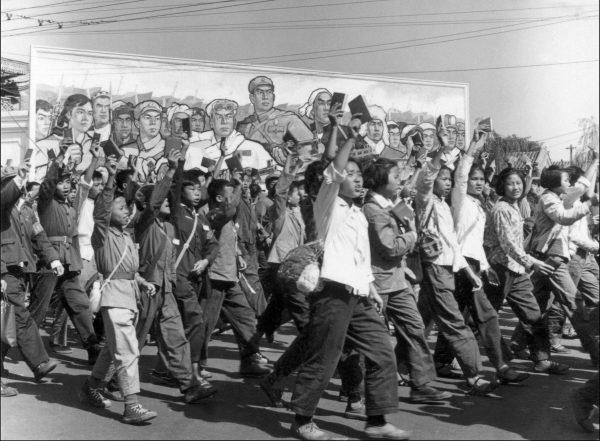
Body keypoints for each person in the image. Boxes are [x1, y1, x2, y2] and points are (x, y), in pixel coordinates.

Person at [283, 131, 409, 440]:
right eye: (350, 174)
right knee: (324, 357)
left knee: (382, 353)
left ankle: (377, 421)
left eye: (359, 175)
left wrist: (373, 289)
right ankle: (302, 420)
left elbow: (361, 257)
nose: (357, 179)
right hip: (332, 293)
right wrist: (350, 141)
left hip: (360, 293)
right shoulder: (327, 205)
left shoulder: (358, 213)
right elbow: (333, 171)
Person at [435, 129, 529, 385]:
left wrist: (486, 267)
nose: (478, 182)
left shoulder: (479, 205)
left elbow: (476, 242)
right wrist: (473, 148)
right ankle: (500, 367)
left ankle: (441, 360)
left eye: (481, 179)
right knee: (487, 317)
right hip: (460, 265)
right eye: (473, 179)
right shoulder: (460, 200)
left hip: (475, 264)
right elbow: (462, 174)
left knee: (461, 316)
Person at [414, 121, 495, 395]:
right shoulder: (425, 199)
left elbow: (453, 245)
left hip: (444, 269)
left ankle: (405, 370)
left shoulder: (446, 207)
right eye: (444, 179)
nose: (449, 184)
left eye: (450, 180)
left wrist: (472, 274)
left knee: (417, 325)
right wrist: (445, 152)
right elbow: (430, 177)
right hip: (436, 269)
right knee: (455, 323)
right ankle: (474, 375)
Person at [362, 157, 451, 404]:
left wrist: (412, 226)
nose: (400, 178)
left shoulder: (393, 202)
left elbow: (415, 222)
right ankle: (354, 390)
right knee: (368, 342)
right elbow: (391, 246)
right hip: (378, 283)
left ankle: (421, 384)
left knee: (414, 327)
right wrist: (411, 235)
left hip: (399, 280)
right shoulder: (373, 209)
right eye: (394, 175)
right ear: (380, 180)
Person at [132, 149, 217, 403]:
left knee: (175, 336)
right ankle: (101, 380)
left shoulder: (169, 225)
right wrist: (172, 169)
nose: (170, 201)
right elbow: (156, 200)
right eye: (164, 200)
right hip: (147, 289)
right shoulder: (146, 222)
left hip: (166, 289)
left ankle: (189, 386)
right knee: (133, 341)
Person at [80, 154, 158, 424]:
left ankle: (91, 385)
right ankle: (131, 406)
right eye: (122, 206)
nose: (127, 210)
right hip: (114, 298)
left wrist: (141, 281)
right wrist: (112, 177)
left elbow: (129, 270)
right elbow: (101, 209)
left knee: (112, 349)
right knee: (127, 352)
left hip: (129, 295)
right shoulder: (101, 233)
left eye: (128, 207)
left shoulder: (126, 233)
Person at [484, 167, 569, 374]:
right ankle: (448, 357)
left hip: (517, 269)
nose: (516, 187)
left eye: (519, 183)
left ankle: (542, 359)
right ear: (502, 185)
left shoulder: (514, 207)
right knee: (484, 318)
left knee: (534, 315)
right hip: (499, 269)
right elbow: (509, 245)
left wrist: (527, 260)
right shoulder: (501, 208)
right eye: (510, 183)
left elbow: (518, 243)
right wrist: (532, 262)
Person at [30, 149, 101, 364]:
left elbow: (84, 185)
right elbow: (47, 185)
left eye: (67, 182)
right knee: (38, 311)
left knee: (81, 304)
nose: (66, 186)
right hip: (50, 261)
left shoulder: (71, 206)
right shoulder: (46, 203)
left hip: (69, 262)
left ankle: (92, 346)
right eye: (61, 183)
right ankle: (16, 349)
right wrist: (58, 161)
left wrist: (94, 160)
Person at [527, 164, 599, 359]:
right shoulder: (549, 198)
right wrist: (589, 203)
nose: (570, 183)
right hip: (551, 257)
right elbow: (563, 218)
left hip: (555, 257)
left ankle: (519, 344)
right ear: (555, 183)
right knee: (573, 303)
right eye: (566, 180)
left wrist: (595, 163)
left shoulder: (559, 196)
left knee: (536, 303)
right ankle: (595, 351)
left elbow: (582, 187)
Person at [202, 178, 271, 377]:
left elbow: (230, 239)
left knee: (245, 316)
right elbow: (230, 209)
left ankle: (249, 359)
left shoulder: (229, 217)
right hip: (214, 278)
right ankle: (194, 367)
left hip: (230, 277)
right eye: (230, 195)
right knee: (206, 324)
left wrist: (238, 254)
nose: (235, 199)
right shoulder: (214, 213)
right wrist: (240, 187)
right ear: (218, 197)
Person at [1, 164, 60, 391]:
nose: (14, 185)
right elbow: (5, 197)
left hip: (21, 270)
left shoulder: (26, 209)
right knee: (20, 317)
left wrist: (53, 259)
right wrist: (16, 180)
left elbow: (40, 236)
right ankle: (39, 363)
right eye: (7, 182)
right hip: (5, 271)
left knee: (6, 321)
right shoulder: (3, 205)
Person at [254, 154, 306, 343]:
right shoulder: (279, 212)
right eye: (297, 192)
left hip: (297, 265)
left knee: (278, 304)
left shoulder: (300, 212)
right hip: (282, 264)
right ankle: (308, 344)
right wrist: (288, 174)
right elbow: (280, 193)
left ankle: (262, 330)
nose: (300, 195)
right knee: (301, 307)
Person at [237, 76, 314, 166]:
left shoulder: (290, 119)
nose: (265, 97)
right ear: (252, 98)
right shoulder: (243, 126)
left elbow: (312, 153)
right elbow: (237, 155)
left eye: (269, 92)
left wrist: (291, 164)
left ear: (273, 97)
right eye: (260, 92)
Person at [185, 99, 272, 173]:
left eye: (228, 116)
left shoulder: (254, 148)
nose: (224, 121)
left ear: (234, 122)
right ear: (211, 122)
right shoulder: (195, 149)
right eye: (219, 117)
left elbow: (271, 175)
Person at [32, 94, 93, 182]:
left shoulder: (94, 146)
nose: (86, 118)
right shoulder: (45, 145)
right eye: (80, 112)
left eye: (90, 113)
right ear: (68, 114)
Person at [121, 100, 167, 183]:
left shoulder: (167, 148)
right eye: (148, 118)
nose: (153, 122)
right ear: (137, 123)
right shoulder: (125, 151)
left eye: (157, 118)